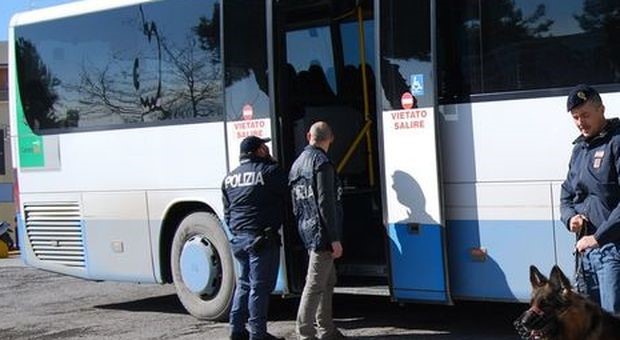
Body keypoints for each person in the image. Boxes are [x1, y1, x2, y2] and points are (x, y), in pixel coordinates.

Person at [560, 84, 620, 314]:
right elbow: (566, 194)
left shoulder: (616, 141)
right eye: (575, 117)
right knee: (592, 324)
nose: (580, 122)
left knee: (613, 322)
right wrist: (570, 218)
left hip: (613, 250)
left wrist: (598, 237)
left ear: (601, 109)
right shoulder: (579, 149)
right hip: (586, 253)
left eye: (585, 115)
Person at [222, 135, 288, 340]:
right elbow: (287, 194)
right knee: (259, 287)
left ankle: (237, 329)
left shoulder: (229, 178)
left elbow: (227, 212)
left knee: (244, 283)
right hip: (261, 239)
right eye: (264, 147)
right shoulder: (270, 171)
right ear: (259, 151)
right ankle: (258, 334)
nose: (267, 150)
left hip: (239, 239)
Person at [289, 121, 347, 340]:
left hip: (307, 229)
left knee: (327, 280)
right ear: (331, 138)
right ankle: (305, 332)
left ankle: (326, 328)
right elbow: (326, 203)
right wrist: (334, 239)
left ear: (308, 136)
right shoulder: (322, 163)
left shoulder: (297, 164)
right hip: (321, 234)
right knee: (314, 285)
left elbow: (296, 202)